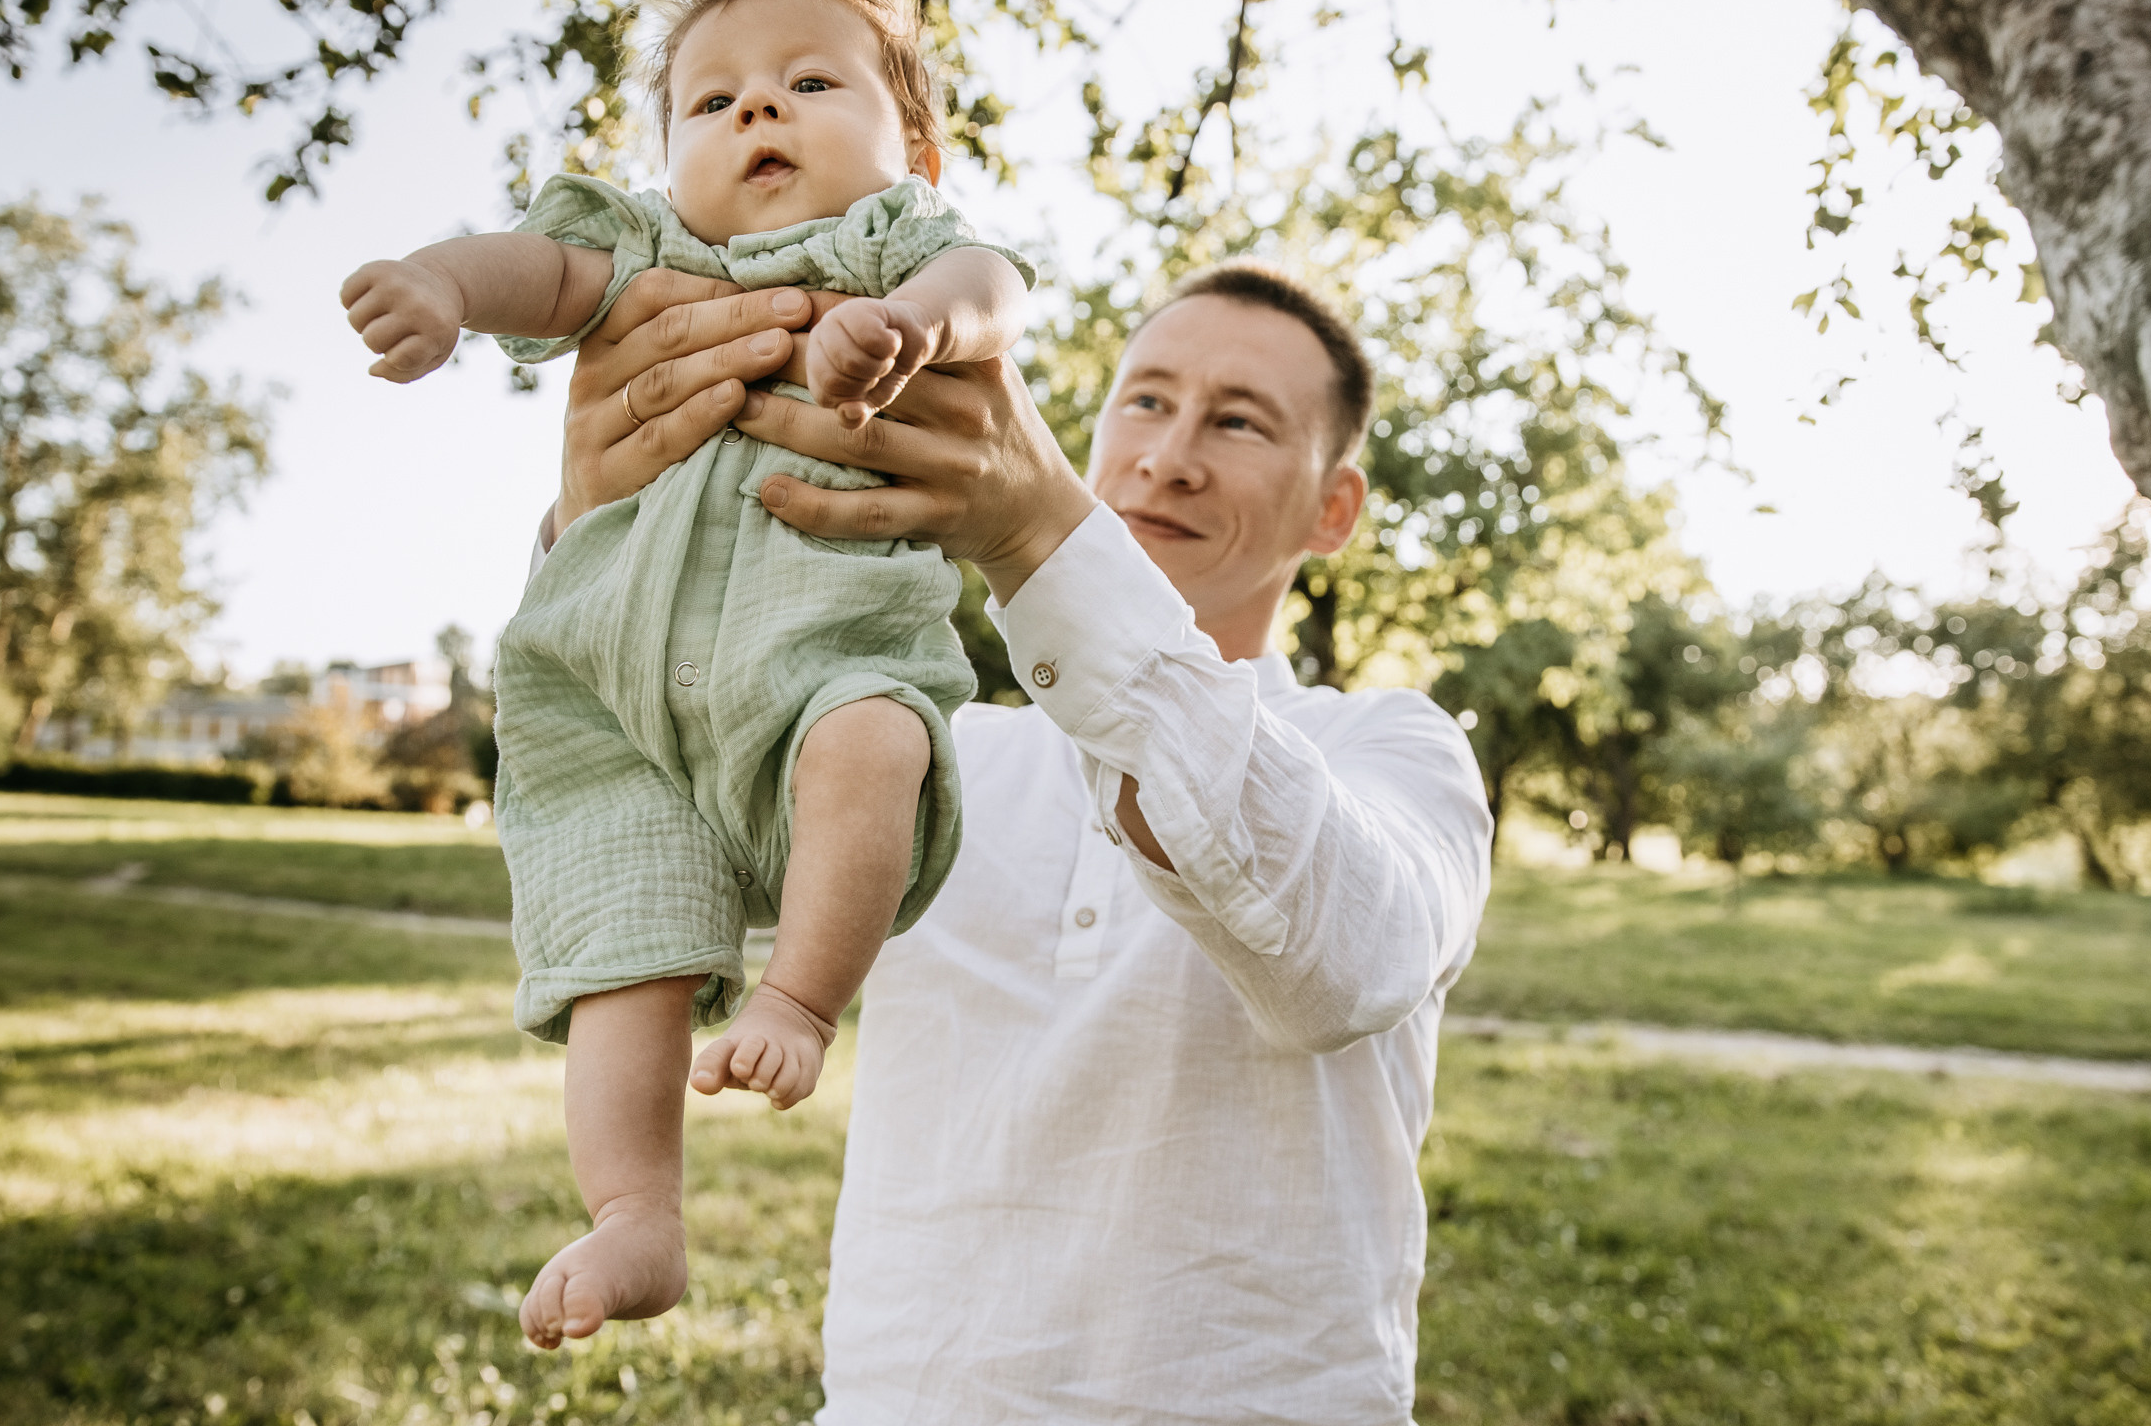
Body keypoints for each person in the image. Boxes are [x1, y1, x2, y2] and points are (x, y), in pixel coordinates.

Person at [542, 255, 1495, 1423]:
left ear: (1332, 507)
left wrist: (1045, 532)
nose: (1168, 455)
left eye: (1238, 422)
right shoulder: (922, 752)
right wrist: (600, 550)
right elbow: (652, 861)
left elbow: (1343, 966)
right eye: (1144, 399)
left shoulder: (1398, 748)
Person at [336, 0, 1032, 1350]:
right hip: (605, 688)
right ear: (666, 154)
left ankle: (799, 997)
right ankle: (633, 1212)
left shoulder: (895, 252)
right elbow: (532, 268)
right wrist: (442, 290)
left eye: (810, 81)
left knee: (871, 738)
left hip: (819, 650)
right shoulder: (639, 254)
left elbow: (990, 288)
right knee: (621, 957)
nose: (757, 107)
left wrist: (918, 328)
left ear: (917, 150)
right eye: (712, 100)